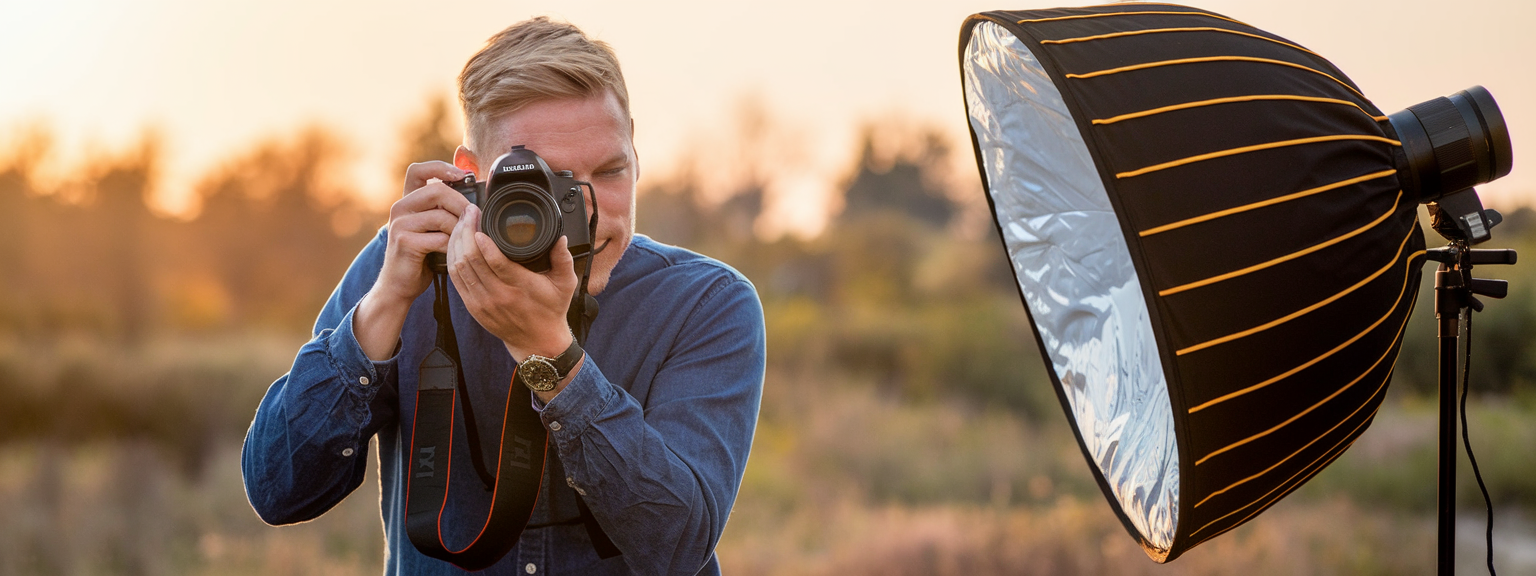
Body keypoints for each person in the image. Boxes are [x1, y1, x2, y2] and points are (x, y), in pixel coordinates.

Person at [241, 17, 766, 575]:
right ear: (471, 175)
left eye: (611, 171)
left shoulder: (704, 303)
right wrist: (385, 304)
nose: (589, 210)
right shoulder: (405, 267)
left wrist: (551, 356)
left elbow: (679, 546)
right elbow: (279, 491)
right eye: (550, 184)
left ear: (636, 151)